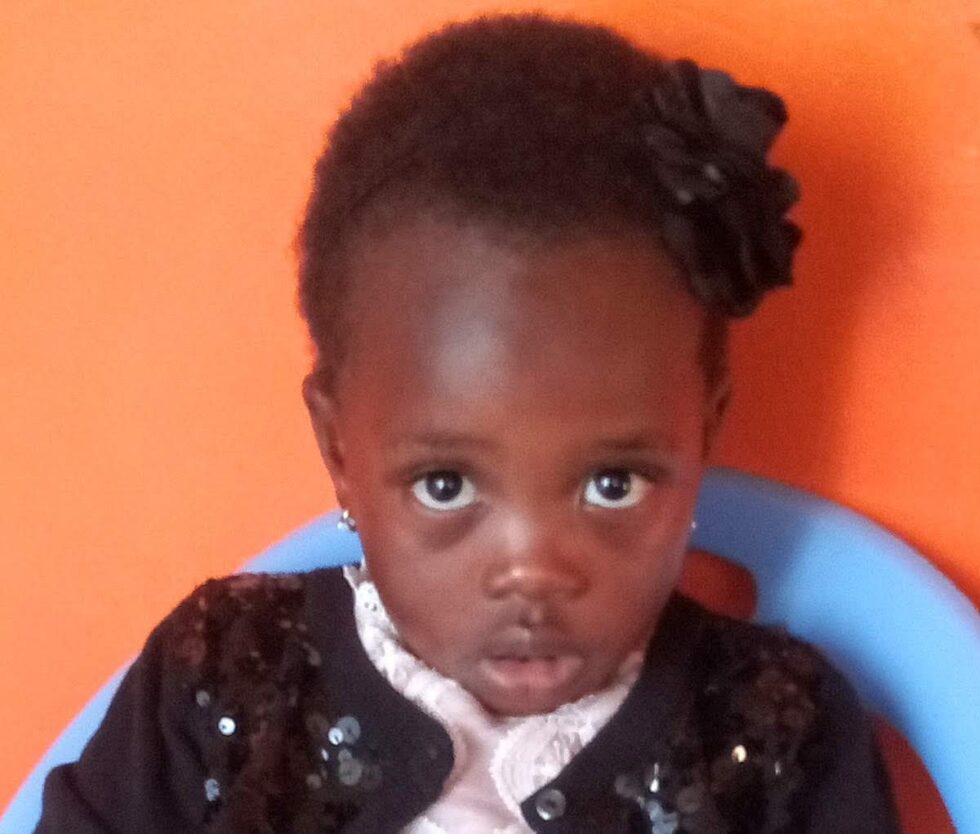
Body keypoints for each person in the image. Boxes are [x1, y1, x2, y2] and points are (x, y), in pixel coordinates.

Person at [36, 12, 899, 834]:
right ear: (339, 450)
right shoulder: (225, 679)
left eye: (613, 483)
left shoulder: (777, 735)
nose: (533, 571)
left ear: (704, 432)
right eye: (444, 485)